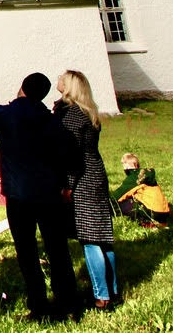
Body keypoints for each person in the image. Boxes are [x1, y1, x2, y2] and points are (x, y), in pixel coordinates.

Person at [0, 73, 79, 321]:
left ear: (21, 88)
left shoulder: (6, 114)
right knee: (57, 250)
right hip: (49, 194)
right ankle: (68, 304)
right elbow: (68, 154)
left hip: (19, 194)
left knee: (27, 253)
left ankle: (39, 305)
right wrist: (62, 182)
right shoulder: (50, 119)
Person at [54, 70, 118, 311]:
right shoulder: (89, 112)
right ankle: (112, 288)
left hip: (82, 178)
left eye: (61, 78)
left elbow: (72, 154)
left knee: (90, 238)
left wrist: (68, 185)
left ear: (69, 86)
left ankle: (102, 296)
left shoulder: (72, 116)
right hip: (96, 172)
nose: (57, 81)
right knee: (103, 237)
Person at [110, 153, 172, 226]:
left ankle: (147, 222)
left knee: (118, 204)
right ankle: (155, 222)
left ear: (125, 165)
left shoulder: (134, 178)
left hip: (152, 213)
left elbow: (117, 196)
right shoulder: (146, 175)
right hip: (164, 213)